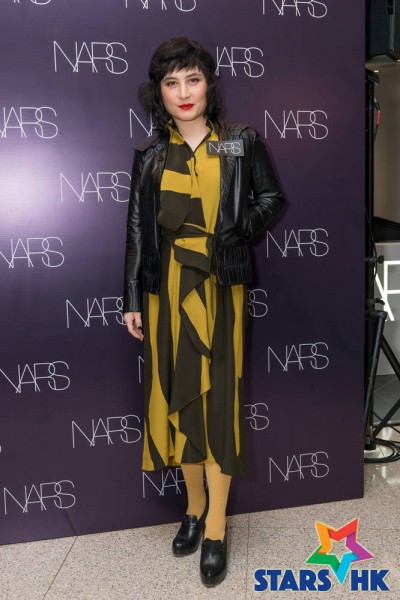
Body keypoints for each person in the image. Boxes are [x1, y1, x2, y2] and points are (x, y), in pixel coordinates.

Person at [123, 37, 284, 587]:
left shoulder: (240, 142)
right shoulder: (150, 157)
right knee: (178, 400)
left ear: (209, 84)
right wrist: (132, 300)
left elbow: (272, 199)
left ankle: (215, 527)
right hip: (165, 291)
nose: (184, 92)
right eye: (172, 83)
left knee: (218, 406)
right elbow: (138, 232)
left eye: (192, 79)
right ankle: (193, 508)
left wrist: (238, 230)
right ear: (159, 93)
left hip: (220, 286)